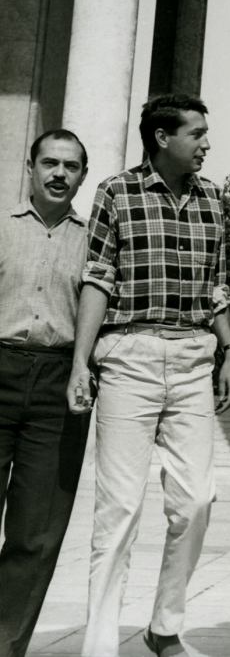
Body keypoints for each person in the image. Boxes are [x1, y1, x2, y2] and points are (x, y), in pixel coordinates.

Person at [66, 93, 230, 657]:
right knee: (118, 508)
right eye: (197, 134)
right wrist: (80, 364)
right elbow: (96, 278)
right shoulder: (115, 192)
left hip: (193, 358)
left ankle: (164, 625)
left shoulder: (214, 198)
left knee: (196, 500)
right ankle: (98, 644)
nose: (207, 144)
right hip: (128, 357)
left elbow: (217, 284)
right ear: (163, 138)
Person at [0, 130, 90, 657]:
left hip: (57, 383)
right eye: (50, 163)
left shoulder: (95, 239)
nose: (59, 174)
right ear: (30, 167)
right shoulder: (2, 227)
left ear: (82, 175)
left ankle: (7, 645)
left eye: (71, 166)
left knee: (36, 534)